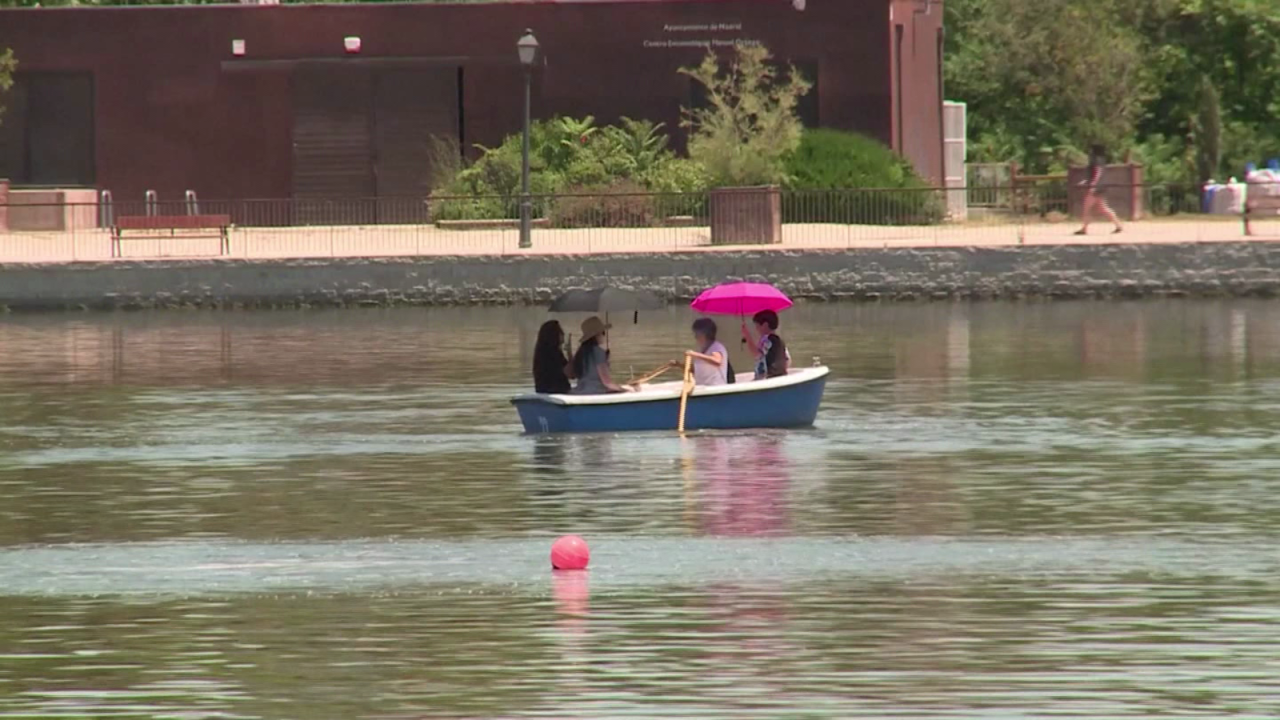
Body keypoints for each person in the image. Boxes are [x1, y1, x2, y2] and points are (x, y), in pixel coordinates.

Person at [571, 316, 631, 394]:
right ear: (598, 334)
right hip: (596, 391)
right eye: (603, 333)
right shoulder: (598, 352)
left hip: (581, 389)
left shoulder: (581, 352)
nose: (604, 336)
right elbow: (607, 382)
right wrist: (626, 390)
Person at [1075, 144, 1123, 236]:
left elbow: (1098, 173)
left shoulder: (1096, 160)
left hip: (1096, 187)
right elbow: (1095, 174)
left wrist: (1093, 185)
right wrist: (1086, 181)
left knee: (1087, 207)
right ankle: (1118, 225)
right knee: (1103, 208)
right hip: (1100, 186)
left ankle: (1084, 228)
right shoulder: (1100, 160)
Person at [743, 309, 789, 380]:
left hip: (768, 377)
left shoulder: (766, 340)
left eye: (757, 326)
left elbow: (757, 354)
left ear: (765, 325)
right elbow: (787, 359)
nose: (756, 329)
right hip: (780, 376)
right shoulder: (779, 340)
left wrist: (747, 336)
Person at [683, 318, 729, 387]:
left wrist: (694, 354)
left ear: (705, 333)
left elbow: (717, 361)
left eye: (697, 333)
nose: (695, 336)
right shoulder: (702, 349)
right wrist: (680, 365)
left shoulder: (716, 347)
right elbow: (698, 370)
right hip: (702, 388)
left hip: (715, 388)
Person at [532, 320, 573, 394]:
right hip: (559, 392)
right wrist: (569, 352)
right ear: (554, 335)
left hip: (542, 392)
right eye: (560, 332)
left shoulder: (540, 352)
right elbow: (571, 374)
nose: (563, 334)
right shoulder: (555, 354)